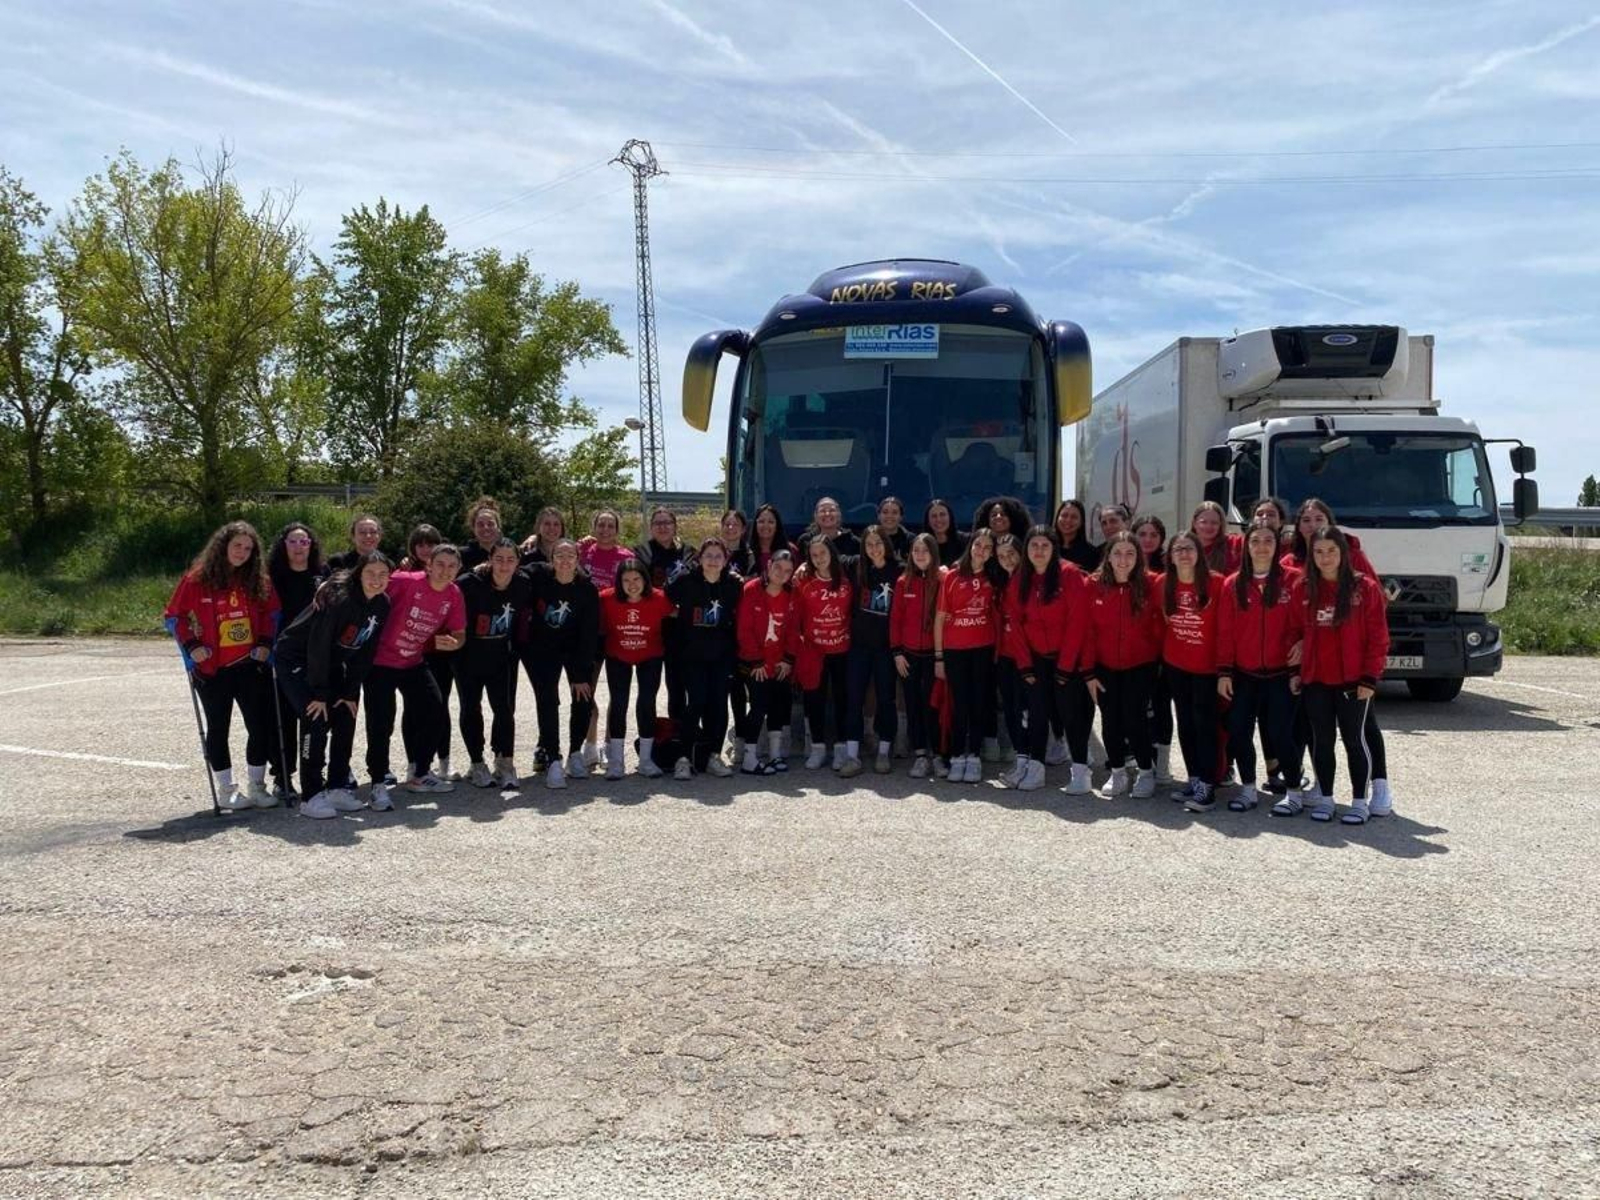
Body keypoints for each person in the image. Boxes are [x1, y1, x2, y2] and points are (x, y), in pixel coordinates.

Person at [164, 521, 282, 811]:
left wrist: (265, 642)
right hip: (212, 670)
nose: (242, 552)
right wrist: (192, 646)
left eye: (248, 548)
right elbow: (174, 616)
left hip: (250, 665)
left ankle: (257, 786)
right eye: (237, 545)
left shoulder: (258, 580)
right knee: (218, 728)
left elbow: (273, 613)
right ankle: (226, 789)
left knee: (259, 726)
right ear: (223, 546)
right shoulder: (196, 579)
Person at [1283, 497, 1390, 811]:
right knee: (1321, 738)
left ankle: (1369, 795)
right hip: (1316, 676)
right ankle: (1325, 796)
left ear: (1342, 551)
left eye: (1331, 550)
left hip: (1353, 676)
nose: (1325, 556)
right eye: (1306, 520)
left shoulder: (1363, 584)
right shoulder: (1301, 581)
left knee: (1358, 736)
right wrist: (1296, 669)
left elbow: (1377, 634)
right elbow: (1293, 629)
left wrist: (1370, 675)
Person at [276, 552, 392, 820]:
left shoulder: (382, 603)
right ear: (359, 574)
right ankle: (311, 795)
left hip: (330, 663)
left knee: (345, 713)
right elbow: (318, 644)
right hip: (297, 659)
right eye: (370, 573)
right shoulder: (340, 599)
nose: (376, 579)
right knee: (315, 718)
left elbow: (366, 650)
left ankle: (338, 786)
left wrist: (350, 690)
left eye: (382, 574)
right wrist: (318, 693)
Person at [363, 544, 465, 809]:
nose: (445, 570)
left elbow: (459, 633)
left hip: (413, 661)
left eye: (451, 566)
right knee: (380, 724)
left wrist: (454, 642)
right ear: (428, 565)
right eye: (439, 564)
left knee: (435, 709)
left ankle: (420, 773)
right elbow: (369, 586)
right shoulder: (405, 581)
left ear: (458, 569)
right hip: (380, 662)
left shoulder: (453, 594)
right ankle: (377, 784)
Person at [1217, 519, 1301, 814]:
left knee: (1280, 734)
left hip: (1281, 674)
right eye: (1255, 541)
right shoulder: (1233, 584)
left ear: (1277, 545)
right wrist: (1224, 671)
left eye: (1268, 540)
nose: (1261, 546)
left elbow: (1304, 625)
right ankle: (1248, 789)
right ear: (1246, 547)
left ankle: (1293, 792)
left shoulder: (1294, 580)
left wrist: (1300, 661)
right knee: (1239, 731)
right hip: (1244, 675)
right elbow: (1225, 632)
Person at [1008, 526, 1089, 793]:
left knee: (1070, 714)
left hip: (1067, 659)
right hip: (1036, 659)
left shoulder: (1070, 574)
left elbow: (1077, 622)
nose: (1039, 551)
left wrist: (1066, 666)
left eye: (1045, 545)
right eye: (1034, 546)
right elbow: (1015, 623)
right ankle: (1036, 768)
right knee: (1037, 714)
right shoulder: (1020, 578)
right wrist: (1024, 664)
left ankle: (1080, 771)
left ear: (1054, 549)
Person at [1083, 532, 1163, 799]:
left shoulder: (1151, 583)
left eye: (1130, 553)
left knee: (1135, 718)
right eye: (1117, 553)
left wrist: (1158, 659)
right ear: (1108, 557)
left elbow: (1161, 624)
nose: (1123, 559)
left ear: (1138, 557)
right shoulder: (1093, 584)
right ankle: (1117, 772)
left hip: (1140, 665)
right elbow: (1087, 631)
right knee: (1110, 720)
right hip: (1104, 666)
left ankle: (1145, 772)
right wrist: (1088, 672)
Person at [455, 537, 530, 789]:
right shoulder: (469, 583)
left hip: (500, 656)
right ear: (490, 560)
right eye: (499, 559)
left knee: (504, 709)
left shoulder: (522, 584)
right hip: (467, 657)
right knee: (470, 708)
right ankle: (477, 763)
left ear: (518, 562)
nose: (504, 565)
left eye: (510, 560)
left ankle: (505, 762)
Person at [525, 539, 601, 788]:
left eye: (570, 556)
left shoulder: (587, 589)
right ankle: (552, 757)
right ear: (552, 559)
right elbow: (510, 567)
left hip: (575, 649)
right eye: (559, 555)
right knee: (547, 700)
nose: (565, 561)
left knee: (583, 696)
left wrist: (580, 674)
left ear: (578, 560)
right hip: (544, 649)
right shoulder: (538, 577)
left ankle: (575, 753)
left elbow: (589, 634)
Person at [666, 536, 743, 779]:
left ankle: (713, 755)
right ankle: (683, 758)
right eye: (708, 555)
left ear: (725, 560)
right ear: (699, 558)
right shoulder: (685, 581)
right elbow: (663, 600)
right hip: (692, 654)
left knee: (718, 703)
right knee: (696, 701)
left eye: (718, 556)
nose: (713, 560)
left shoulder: (733, 584)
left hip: (721, 655)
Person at [1160, 531, 1222, 811]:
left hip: (1207, 668)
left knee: (1204, 724)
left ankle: (1208, 784)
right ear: (1171, 557)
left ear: (1199, 553)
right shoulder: (1163, 583)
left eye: (1189, 548)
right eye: (1178, 549)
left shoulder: (1217, 583)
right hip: (1176, 665)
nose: (1184, 554)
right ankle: (1195, 778)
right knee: (1185, 723)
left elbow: (1225, 628)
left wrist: (1225, 668)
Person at [266, 521, 327, 802]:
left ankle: (314, 772)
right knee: (283, 718)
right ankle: (282, 776)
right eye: (293, 541)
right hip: (282, 655)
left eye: (304, 542)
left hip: (315, 655)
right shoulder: (272, 576)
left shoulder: (322, 574)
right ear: (284, 545)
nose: (299, 547)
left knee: (315, 716)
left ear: (311, 546)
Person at [598, 559, 674, 779]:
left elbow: (678, 614)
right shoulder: (606, 598)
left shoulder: (659, 598)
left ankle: (646, 760)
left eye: (636, 579)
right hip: (617, 655)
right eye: (626, 580)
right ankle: (616, 761)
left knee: (647, 701)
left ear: (645, 579)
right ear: (619, 582)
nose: (632, 585)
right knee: (618, 702)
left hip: (650, 655)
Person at [934, 526, 999, 784]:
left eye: (987, 548)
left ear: (992, 553)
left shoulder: (993, 577)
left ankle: (974, 757)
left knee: (978, 704)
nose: (981, 551)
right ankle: (957, 754)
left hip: (983, 649)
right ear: (970, 545)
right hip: (955, 651)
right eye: (978, 545)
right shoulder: (951, 576)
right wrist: (939, 657)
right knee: (959, 704)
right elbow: (940, 619)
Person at [839, 525, 900, 777]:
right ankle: (852, 756)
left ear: (886, 544)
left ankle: (884, 752)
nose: (874, 548)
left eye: (878, 543)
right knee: (854, 698)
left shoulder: (899, 570)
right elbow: (826, 557)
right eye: (869, 544)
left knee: (886, 699)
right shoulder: (856, 566)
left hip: (886, 647)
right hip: (859, 646)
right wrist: (803, 567)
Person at [790, 536, 854, 771]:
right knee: (814, 698)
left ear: (832, 553)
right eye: (814, 555)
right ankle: (817, 747)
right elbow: (796, 615)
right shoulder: (804, 581)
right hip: (813, 650)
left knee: (841, 699)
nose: (819, 559)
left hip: (842, 649)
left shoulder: (847, 578)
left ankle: (840, 748)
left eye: (823, 553)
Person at [400, 525, 458, 783]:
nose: (425, 549)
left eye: (431, 544)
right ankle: (414, 763)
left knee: (440, 704)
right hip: (411, 652)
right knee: (412, 708)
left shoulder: (448, 569)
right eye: (420, 544)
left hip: (440, 650)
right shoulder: (405, 574)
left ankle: (444, 760)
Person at [735, 550, 796, 774]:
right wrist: (756, 661)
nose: (781, 573)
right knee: (758, 706)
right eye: (777, 567)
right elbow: (744, 630)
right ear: (769, 565)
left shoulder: (792, 594)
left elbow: (793, 629)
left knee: (778, 706)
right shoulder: (751, 589)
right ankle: (749, 758)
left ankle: (775, 754)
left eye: (788, 571)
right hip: (755, 663)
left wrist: (788, 659)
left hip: (780, 662)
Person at [577, 509, 629, 770]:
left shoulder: (626, 557)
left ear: (617, 530)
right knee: (586, 691)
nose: (606, 530)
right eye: (601, 525)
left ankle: (610, 745)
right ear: (594, 527)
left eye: (611, 526)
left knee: (618, 694)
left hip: (617, 631)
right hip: (588, 633)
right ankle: (590, 743)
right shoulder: (582, 552)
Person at [633, 507, 693, 726]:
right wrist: (666, 607)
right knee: (648, 688)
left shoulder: (688, 552)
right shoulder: (642, 552)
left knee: (677, 685)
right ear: (651, 527)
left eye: (667, 523)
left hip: (679, 630)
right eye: (658, 523)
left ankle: (679, 733)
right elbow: (638, 588)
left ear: (675, 526)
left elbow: (694, 586)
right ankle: (647, 738)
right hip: (651, 628)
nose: (663, 527)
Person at [891, 533, 944, 780]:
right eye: (916, 550)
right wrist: (897, 652)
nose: (920, 555)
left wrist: (942, 656)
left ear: (933, 553)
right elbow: (896, 620)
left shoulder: (943, 580)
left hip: (935, 656)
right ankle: (921, 755)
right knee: (912, 705)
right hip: (909, 656)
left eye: (925, 550)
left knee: (934, 706)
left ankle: (939, 755)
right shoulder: (903, 582)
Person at [992, 533, 1029, 784]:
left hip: (1024, 657)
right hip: (1004, 655)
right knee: (1010, 709)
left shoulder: (1028, 582)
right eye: (1002, 556)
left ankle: (1028, 761)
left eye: (1011, 554)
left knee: (1023, 711)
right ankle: (1021, 759)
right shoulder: (1003, 581)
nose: (1007, 559)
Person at [796, 496, 861, 557]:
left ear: (839, 515)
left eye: (832, 510)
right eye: (822, 511)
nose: (827, 514)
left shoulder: (853, 542)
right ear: (815, 516)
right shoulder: (805, 541)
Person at [748, 503, 797, 579]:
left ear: (777, 525)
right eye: (761, 521)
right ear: (755, 524)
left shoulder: (791, 550)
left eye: (771, 522)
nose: (766, 526)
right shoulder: (746, 552)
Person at [1190, 500, 1237, 576]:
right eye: (1203, 522)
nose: (1209, 526)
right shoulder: (1186, 549)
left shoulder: (1235, 542)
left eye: (1214, 522)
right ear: (1194, 523)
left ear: (1220, 525)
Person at [459, 497, 504, 573]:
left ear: (498, 527)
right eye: (480, 524)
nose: (486, 528)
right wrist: (474, 571)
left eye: (490, 524)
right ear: (473, 528)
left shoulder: (509, 554)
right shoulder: (461, 556)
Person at [1054, 500, 1099, 572]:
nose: (1068, 520)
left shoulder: (1092, 554)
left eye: (1074, 517)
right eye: (1064, 515)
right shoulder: (1047, 548)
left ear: (1081, 522)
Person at [924, 498, 968, 567]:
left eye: (942, 515)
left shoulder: (966, 541)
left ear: (950, 517)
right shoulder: (922, 544)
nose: (938, 519)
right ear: (928, 521)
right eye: (934, 516)